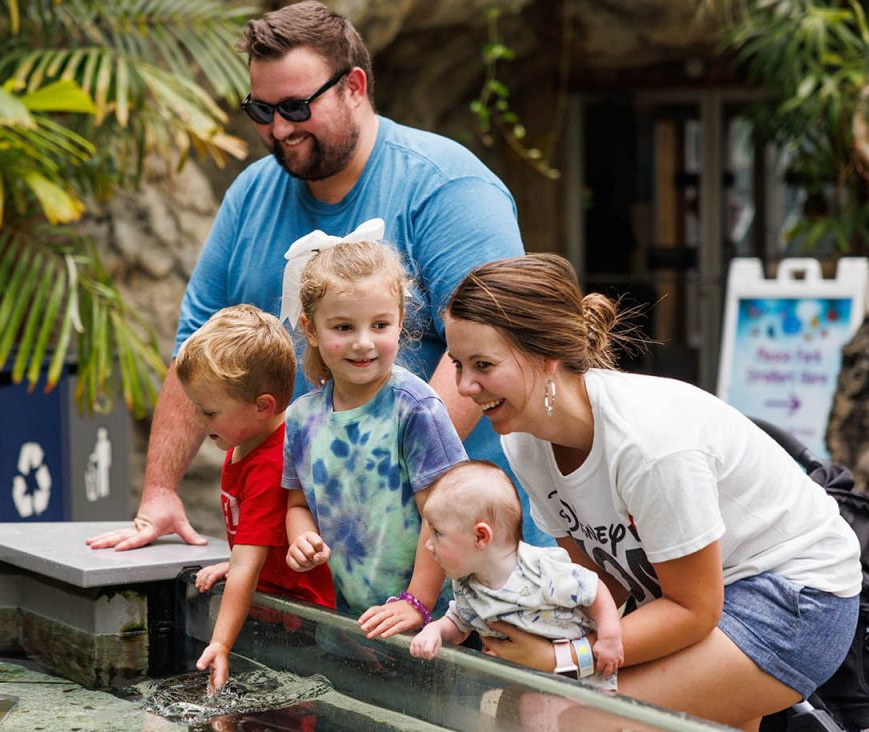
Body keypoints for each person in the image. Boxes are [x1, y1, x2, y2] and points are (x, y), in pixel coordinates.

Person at [85, 0, 552, 555]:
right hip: (318, 538)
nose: (279, 129)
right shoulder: (250, 195)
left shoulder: (447, 188)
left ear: (354, 86)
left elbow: (486, 347)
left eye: (296, 106)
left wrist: (364, 482)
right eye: (261, 112)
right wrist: (160, 491)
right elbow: (196, 351)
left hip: (462, 538)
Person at [441, 253, 862, 730]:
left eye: (482, 364)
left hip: (795, 597)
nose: (465, 386)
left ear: (546, 355)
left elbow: (693, 608)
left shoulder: (649, 446)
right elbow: (600, 582)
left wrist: (560, 658)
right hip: (695, 594)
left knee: (554, 715)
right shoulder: (522, 438)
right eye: (457, 364)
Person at [280, 239, 465, 638]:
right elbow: (297, 503)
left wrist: (417, 601)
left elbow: (445, 516)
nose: (363, 342)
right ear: (311, 329)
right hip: (348, 622)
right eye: (343, 327)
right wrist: (302, 537)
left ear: (400, 321)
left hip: (431, 625)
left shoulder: (415, 408)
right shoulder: (301, 419)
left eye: (379, 325)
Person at [175, 305, 336, 689]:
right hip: (275, 606)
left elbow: (250, 563)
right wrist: (236, 562)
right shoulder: (243, 440)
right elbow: (256, 544)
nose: (199, 420)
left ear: (262, 406)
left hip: (300, 625)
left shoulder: (269, 463)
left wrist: (220, 643)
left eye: (209, 411)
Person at [409, 460, 622, 692]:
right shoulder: (466, 583)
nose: (428, 546)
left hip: (584, 678)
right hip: (530, 684)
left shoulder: (541, 571)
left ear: (480, 536)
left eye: (438, 533)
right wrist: (435, 631)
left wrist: (609, 637)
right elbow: (460, 623)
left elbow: (594, 589)